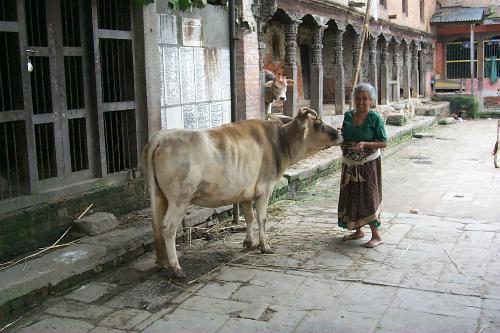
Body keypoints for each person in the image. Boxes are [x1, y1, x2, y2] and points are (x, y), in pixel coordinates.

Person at [338, 83, 387, 248]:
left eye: (365, 99)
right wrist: (338, 140)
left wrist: (365, 144)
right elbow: (344, 135)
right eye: (358, 99)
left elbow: (383, 143)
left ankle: (376, 235)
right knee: (351, 195)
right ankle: (358, 230)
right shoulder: (348, 116)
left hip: (368, 164)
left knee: (368, 197)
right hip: (350, 162)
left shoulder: (375, 118)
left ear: (371, 101)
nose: (361, 102)